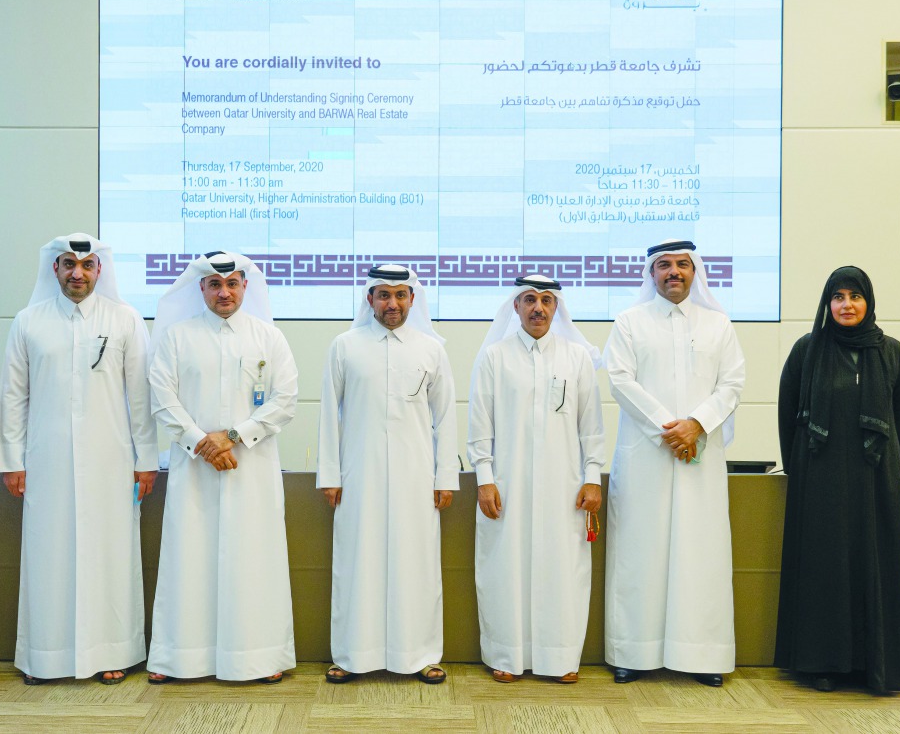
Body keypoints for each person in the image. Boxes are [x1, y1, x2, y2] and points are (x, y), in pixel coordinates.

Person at [0, 232, 158, 685]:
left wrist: (146, 460)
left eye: (86, 266)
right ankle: (45, 657)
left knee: (111, 552)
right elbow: (14, 396)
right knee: (49, 552)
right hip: (46, 460)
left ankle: (113, 653)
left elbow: (140, 398)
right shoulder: (29, 321)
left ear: (99, 271)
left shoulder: (125, 319)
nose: (77, 273)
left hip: (112, 459)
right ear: (55, 270)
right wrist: (11, 460)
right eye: (68, 264)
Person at [146, 251, 298, 685]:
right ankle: (180, 659)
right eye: (215, 284)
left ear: (246, 287)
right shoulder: (176, 337)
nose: (225, 291)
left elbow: (285, 400)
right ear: (202, 289)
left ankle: (259, 657)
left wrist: (231, 437)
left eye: (233, 283)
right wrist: (202, 443)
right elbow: (163, 398)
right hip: (195, 469)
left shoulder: (269, 337)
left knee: (253, 558)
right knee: (188, 559)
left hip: (251, 468)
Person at [603, 239, 745, 687]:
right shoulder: (629, 323)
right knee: (639, 554)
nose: (674, 273)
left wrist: (697, 425)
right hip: (647, 455)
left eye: (683, 265)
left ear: (695, 271)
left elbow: (732, 382)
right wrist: (672, 428)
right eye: (664, 266)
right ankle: (632, 653)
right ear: (651, 274)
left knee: (699, 555)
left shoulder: (718, 324)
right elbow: (619, 380)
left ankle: (701, 655)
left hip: (700, 457)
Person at [775, 266, 900, 693]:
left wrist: (883, 461)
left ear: (868, 302)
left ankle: (873, 664)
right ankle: (824, 663)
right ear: (827, 303)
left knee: (873, 560)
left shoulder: (892, 352)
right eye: (838, 297)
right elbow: (787, 413)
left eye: (855, 296)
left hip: (873, 479)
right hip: (819, 479)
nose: (846, 305)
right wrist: (799, 467)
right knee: (825, 564)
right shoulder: (807, 349)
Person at [317, 264, 460, 684]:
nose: (392, 303)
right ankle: (350, 655)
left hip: (417, 475)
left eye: (401, 295)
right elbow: (329, 412)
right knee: (356, 560)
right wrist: (330, 474)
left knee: (416, 562)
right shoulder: (345, 346)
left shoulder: (432, 349)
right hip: (357, 473)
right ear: (369, 299)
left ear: (413, 300)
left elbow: (446, 416)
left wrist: (445, 477)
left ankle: (420, 654)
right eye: (383, 295)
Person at [467, 274, 606, 683]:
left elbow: (591, 426)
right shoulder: (494, 356)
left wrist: (593, 476)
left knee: (563, 570)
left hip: (564, 488)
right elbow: (480, 425)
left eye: (546, 300)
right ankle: (505, 656)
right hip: (507, 485)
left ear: (557, 307)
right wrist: (485, 478)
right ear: (516, 307)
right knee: (503, 570)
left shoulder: (577, 358)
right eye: (529, 300)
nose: (538, 308)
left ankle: (560, 658)